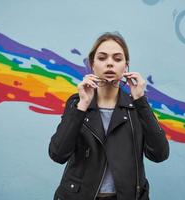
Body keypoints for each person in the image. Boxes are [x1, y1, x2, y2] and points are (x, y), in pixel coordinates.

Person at [48, 32, 169, 200]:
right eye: (102, 58)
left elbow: (160, 154)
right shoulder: (77, 103)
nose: (110, 64)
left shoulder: (136, 107)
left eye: (117, 59)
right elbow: (58, 154)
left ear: (126, 66)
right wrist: (82, 105)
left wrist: (140, 100)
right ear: (92, 64)